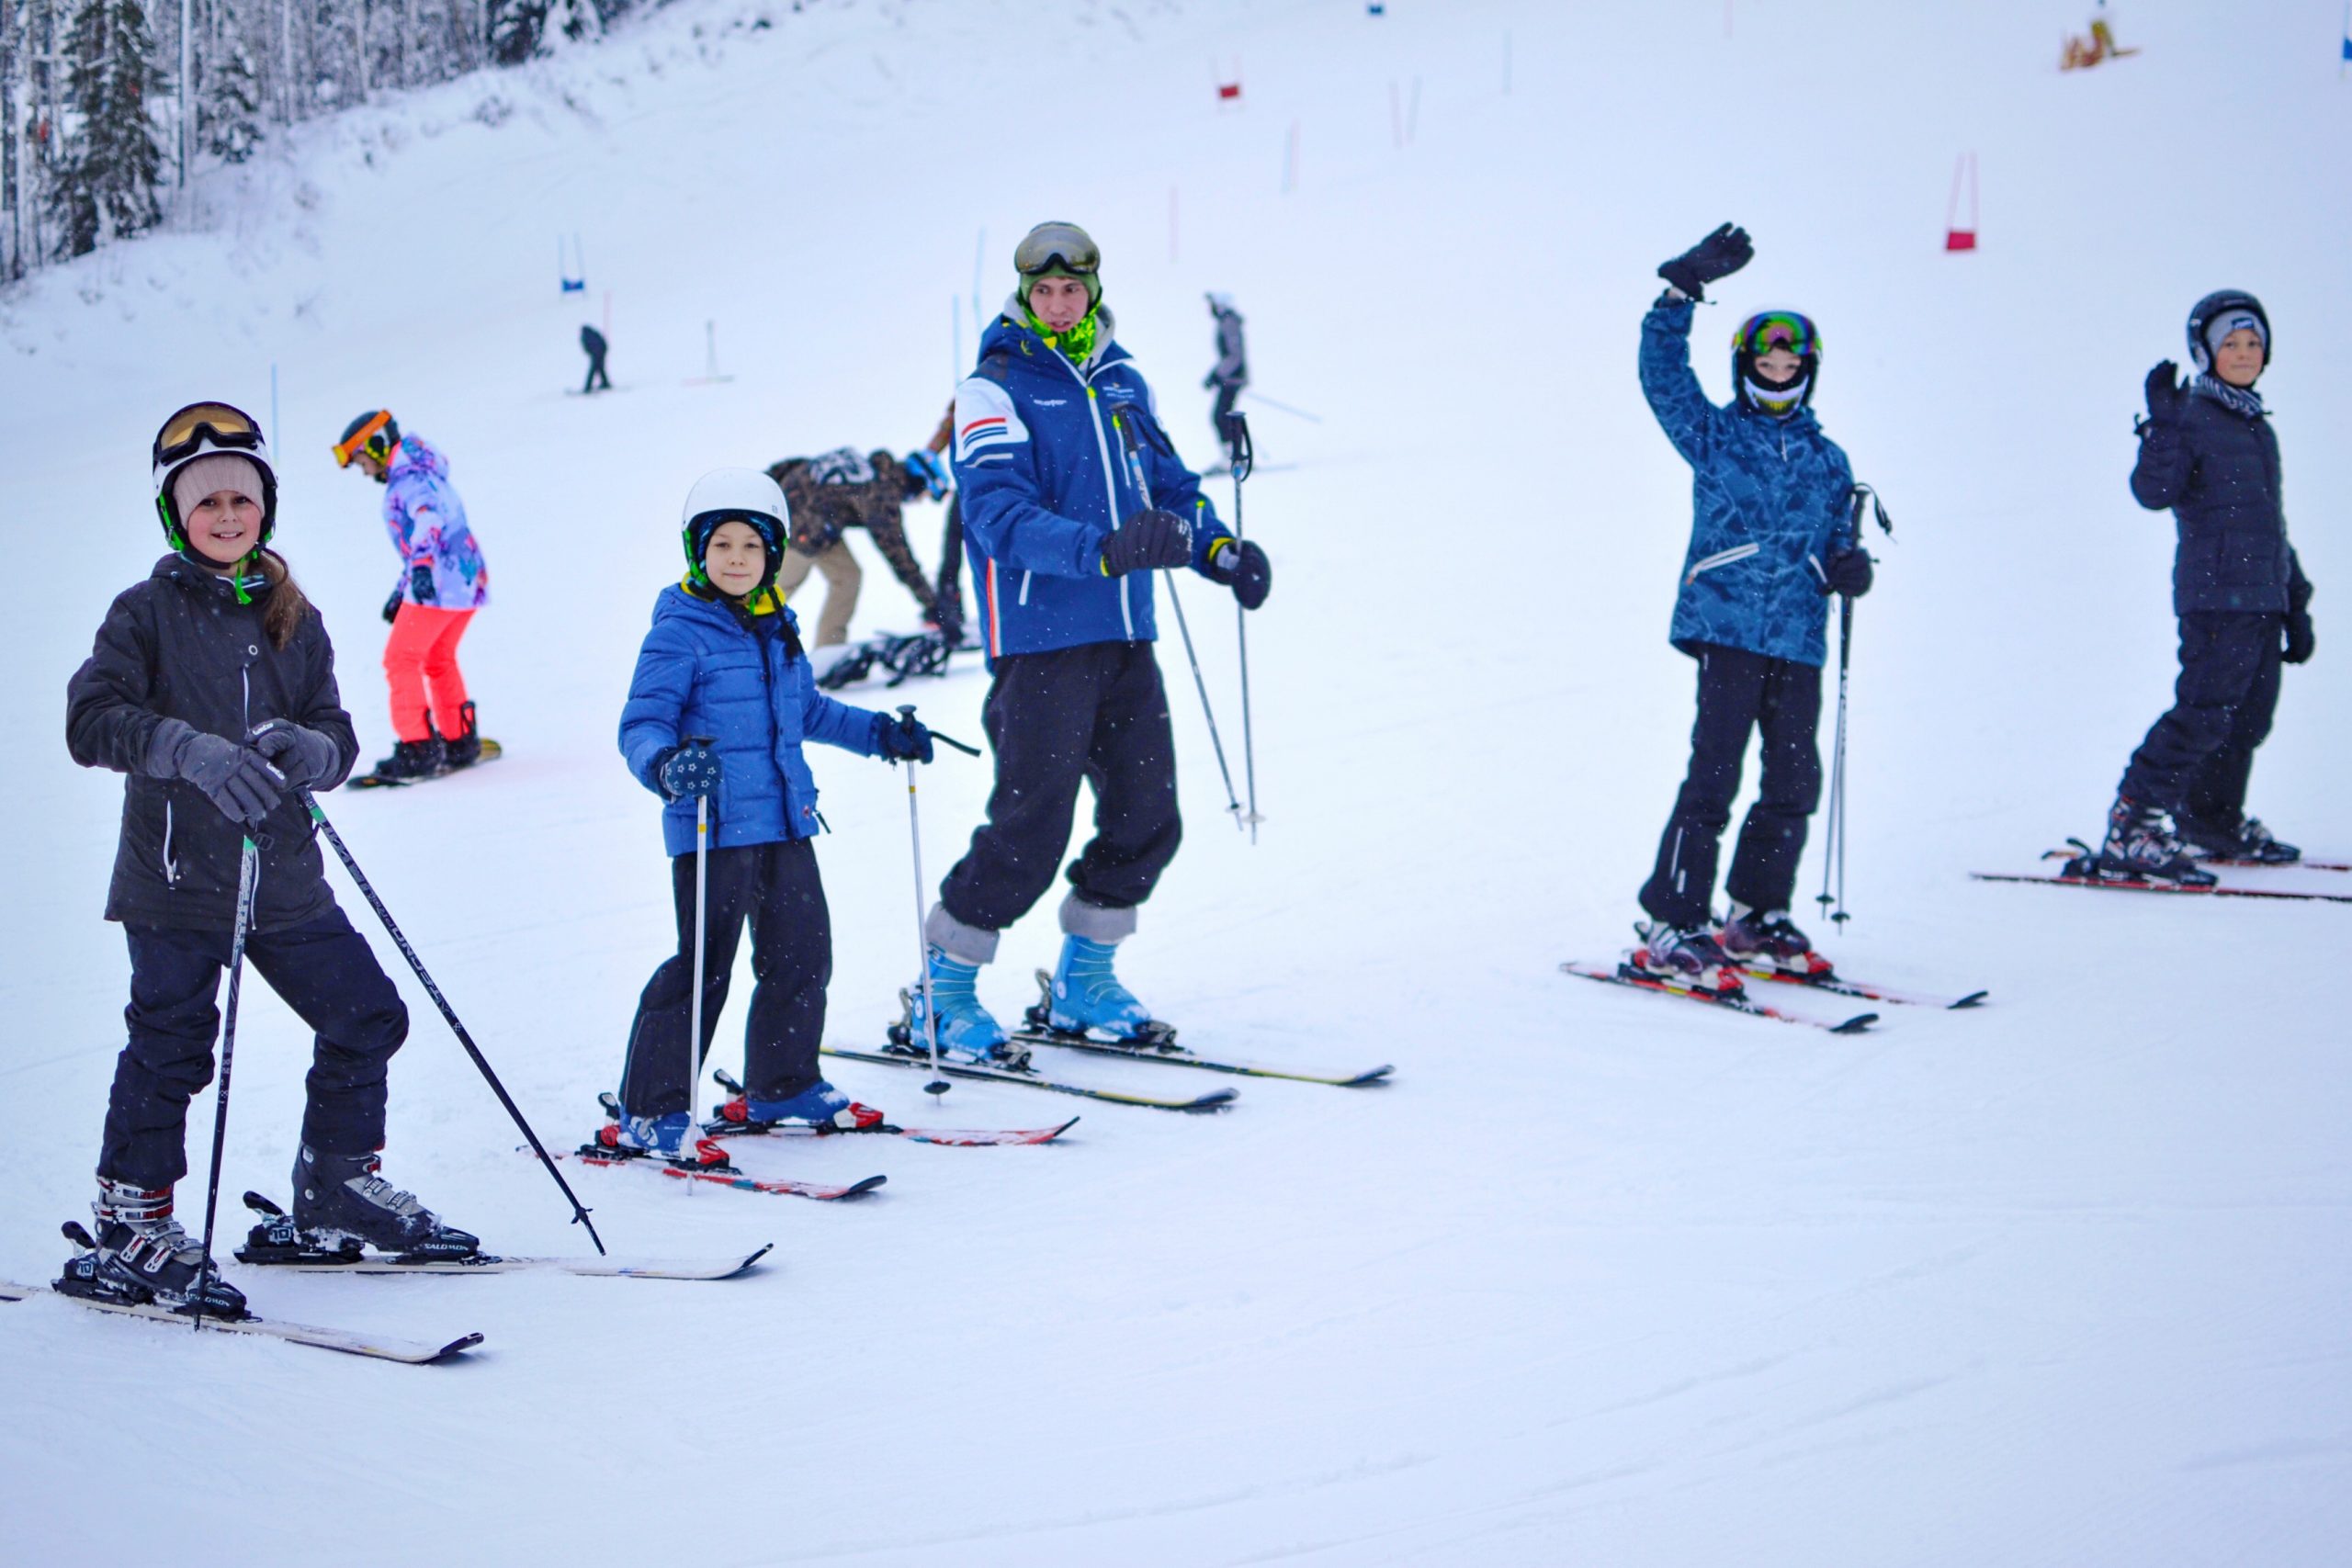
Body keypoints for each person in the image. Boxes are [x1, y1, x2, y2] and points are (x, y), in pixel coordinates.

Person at [60, 402, 476, 1315]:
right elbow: (90, 722)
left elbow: (339, 732)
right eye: (206, 504)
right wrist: (189, 751)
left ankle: (333, 1190)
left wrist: (312, 752)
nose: (227, 517)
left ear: (265, 511)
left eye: (241, 502)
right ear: (178, 516)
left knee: (367, 1014)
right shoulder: (145, 614)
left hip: (281, 871)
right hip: (174, 881)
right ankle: (132, 1218)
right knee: (171, 1046)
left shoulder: (296, 615)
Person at [910, 220, 1273, 1064]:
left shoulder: (1120, 377)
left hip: (1125, 634)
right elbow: (997, 516)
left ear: (1093, 291)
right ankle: (944, 991)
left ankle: (1083, 982)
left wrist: (1218, 548)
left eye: (1072, 289)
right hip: (1041, 639)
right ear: (1025, 295)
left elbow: (1171, 484)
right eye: (1044, 290)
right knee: (1032, 824)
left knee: (1150, 816)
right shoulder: (992, 389)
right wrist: (1100, 550)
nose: (1059, 301)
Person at [600, 468, 937, 1156]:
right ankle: (649, 1106)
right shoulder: (679, 631)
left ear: (773, 557)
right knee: (702, 967)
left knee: (802, 955)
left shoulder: (775, 623)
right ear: (699, 552)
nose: (735, 559)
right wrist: (665, 766)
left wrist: (879, 733)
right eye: (721, 545)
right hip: (712, 825)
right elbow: (642, 723)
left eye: (750, 548)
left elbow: (807, 710)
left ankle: (782, 1082)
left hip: (787, 820)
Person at [1628, 223, 1872, 996]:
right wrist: (1679, 294)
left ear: (1809, 369)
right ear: (1745, 364)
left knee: (1795, 778)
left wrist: (1848, 565)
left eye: (1790, 361)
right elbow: (1663, 380)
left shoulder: (1829, 460)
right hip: (1728, 627)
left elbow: (1837, 538)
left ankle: (1755, 913)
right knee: (1714, 774)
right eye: (1765, 359)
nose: (1778, 370)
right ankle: (1674, 919)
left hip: (1798, 634)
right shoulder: (1715, 435)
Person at [2098, 291, 2313, 883]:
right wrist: (2161, 429)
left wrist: (2294, 597)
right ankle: (2134, 823)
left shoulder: (2253, 424)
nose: (2244, 354)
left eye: (2253, 343)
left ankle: (2210, 820)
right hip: (2216, 595)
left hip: (2261, 597)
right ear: (2205, 351)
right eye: (2230, 344)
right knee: (2203, 713)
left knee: (2247, 719)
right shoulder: (2191, 416)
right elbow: (2152, 492)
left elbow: (2268, 522)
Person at [333, 410, 492, 784]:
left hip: (439, 584)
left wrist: (420, 569)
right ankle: (458, 739)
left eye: (361, 460)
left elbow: (429, 522)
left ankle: (418, 748)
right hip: (464, 582)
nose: (363, 470)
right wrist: (402, 586)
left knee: (400, 659)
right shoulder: (422, 471)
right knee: (437, 657)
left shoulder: (410, 481)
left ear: (376, 445)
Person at [763, 443, 952, 656]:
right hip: (800, 526)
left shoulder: (869, 470)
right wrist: (934, 605)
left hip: (812, 522)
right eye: (924, 495)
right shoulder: (880, 492)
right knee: (778, 589)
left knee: (848, 577)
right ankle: (737, 638)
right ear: (917, 482)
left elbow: (798, 466)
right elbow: (899, 557)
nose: (918, 502)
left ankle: (828, 653)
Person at [1204, 292, 1249, 468]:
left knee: (1221, 416)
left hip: (1232, 379)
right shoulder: (1227, 321)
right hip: (1230, 378)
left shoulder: (1229, 322)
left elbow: (1234, 355)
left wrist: (1217, 375)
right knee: (1223, 416)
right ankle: (1234, 456)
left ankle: (1234, 458)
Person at [580, 324, 612, 394]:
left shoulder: (586, 337)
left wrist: (592, 353)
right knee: (600, 369)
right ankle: (605, 383)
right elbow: (604, 344)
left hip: (596, 355)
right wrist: (603, 352)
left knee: (593, 370)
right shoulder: (595, 333)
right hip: (600, 353)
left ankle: (588, 387)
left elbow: (586, 348)